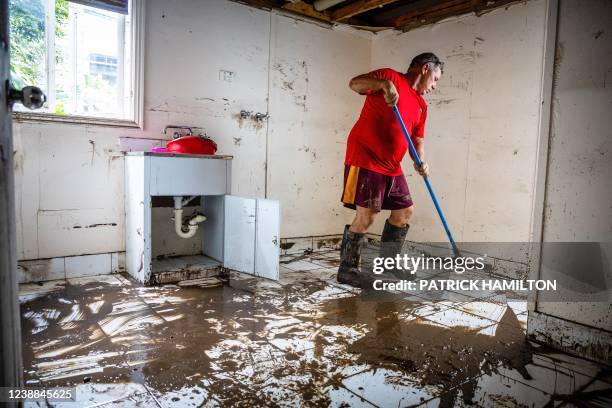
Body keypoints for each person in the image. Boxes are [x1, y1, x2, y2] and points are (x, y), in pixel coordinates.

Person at [337, 52, 443, 288]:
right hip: (366, 157)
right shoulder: (389, 77)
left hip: (391, 165)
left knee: (405, 212)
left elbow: (418, 140)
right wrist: (383, 85)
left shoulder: (421, 106)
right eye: (435, 79)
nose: (434, 86)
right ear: (425, 69)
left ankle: (389, 261)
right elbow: (355, 84)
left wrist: (421, 161)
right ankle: (348, 269)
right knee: (368, 214)